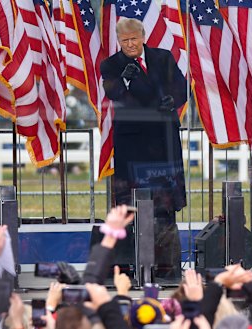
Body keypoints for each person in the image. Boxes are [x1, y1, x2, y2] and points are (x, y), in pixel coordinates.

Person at [100, 17, 187, 279]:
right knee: (131, 206)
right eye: (124, 41)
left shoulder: (162, 57)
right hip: (134, 148)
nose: (129, 45)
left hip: (163, 143)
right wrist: (124, 82)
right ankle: (129, 267)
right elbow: (113, 94)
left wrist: (174, 99)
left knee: (166, 205)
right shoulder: (111, 65)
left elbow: (182, 87)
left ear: (142, 36)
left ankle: (168, 268)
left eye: (133, 39)